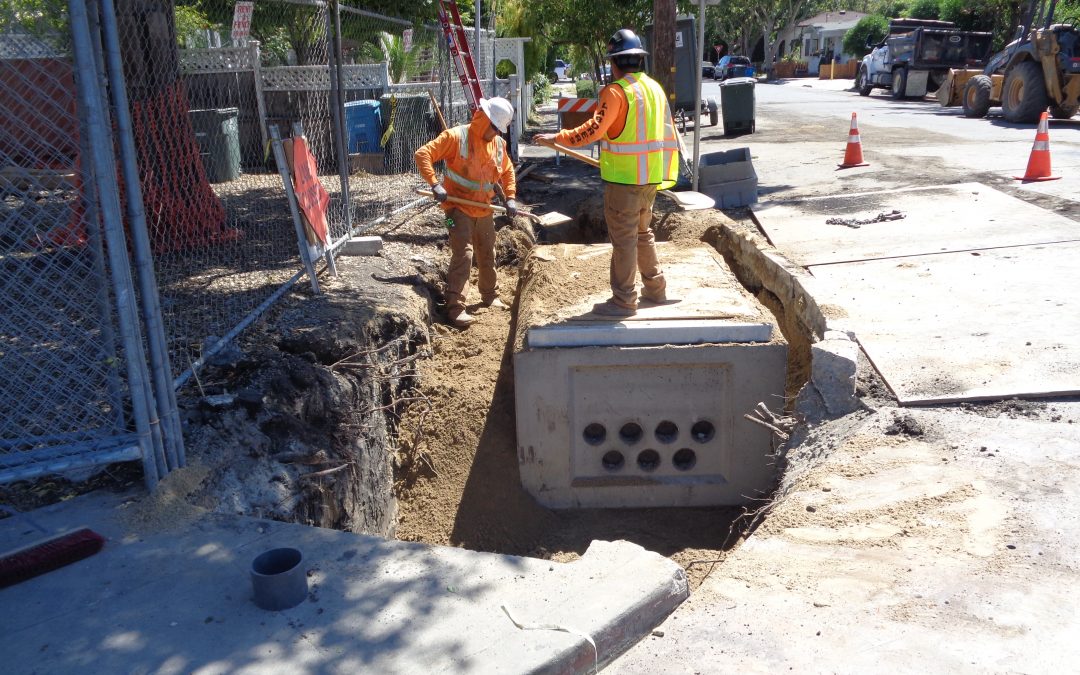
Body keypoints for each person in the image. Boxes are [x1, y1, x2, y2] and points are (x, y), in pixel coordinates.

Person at [534, 29, 679, 316]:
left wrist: (558, 138)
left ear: (613, 62)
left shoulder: (616, 92)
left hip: (624, 182)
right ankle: (656, 289)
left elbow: (592, 130)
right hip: (650, 177)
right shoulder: (654, 89)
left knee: (624, 240)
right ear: (638, 59)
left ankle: (624, 300)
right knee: (642, 233)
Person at [415, 97, 518, 328]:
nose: (496, 133)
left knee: (487, 250)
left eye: (499, 129)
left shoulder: (498, 145)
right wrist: (434, 184)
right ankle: (456, 307)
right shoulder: (456, 137)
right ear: (484, 118)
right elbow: (423, 154)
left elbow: (508, 171)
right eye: (494, 128)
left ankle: (490, 295)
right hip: (456, 208)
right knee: (464, 254)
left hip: (484, 209)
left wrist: (510, 197)